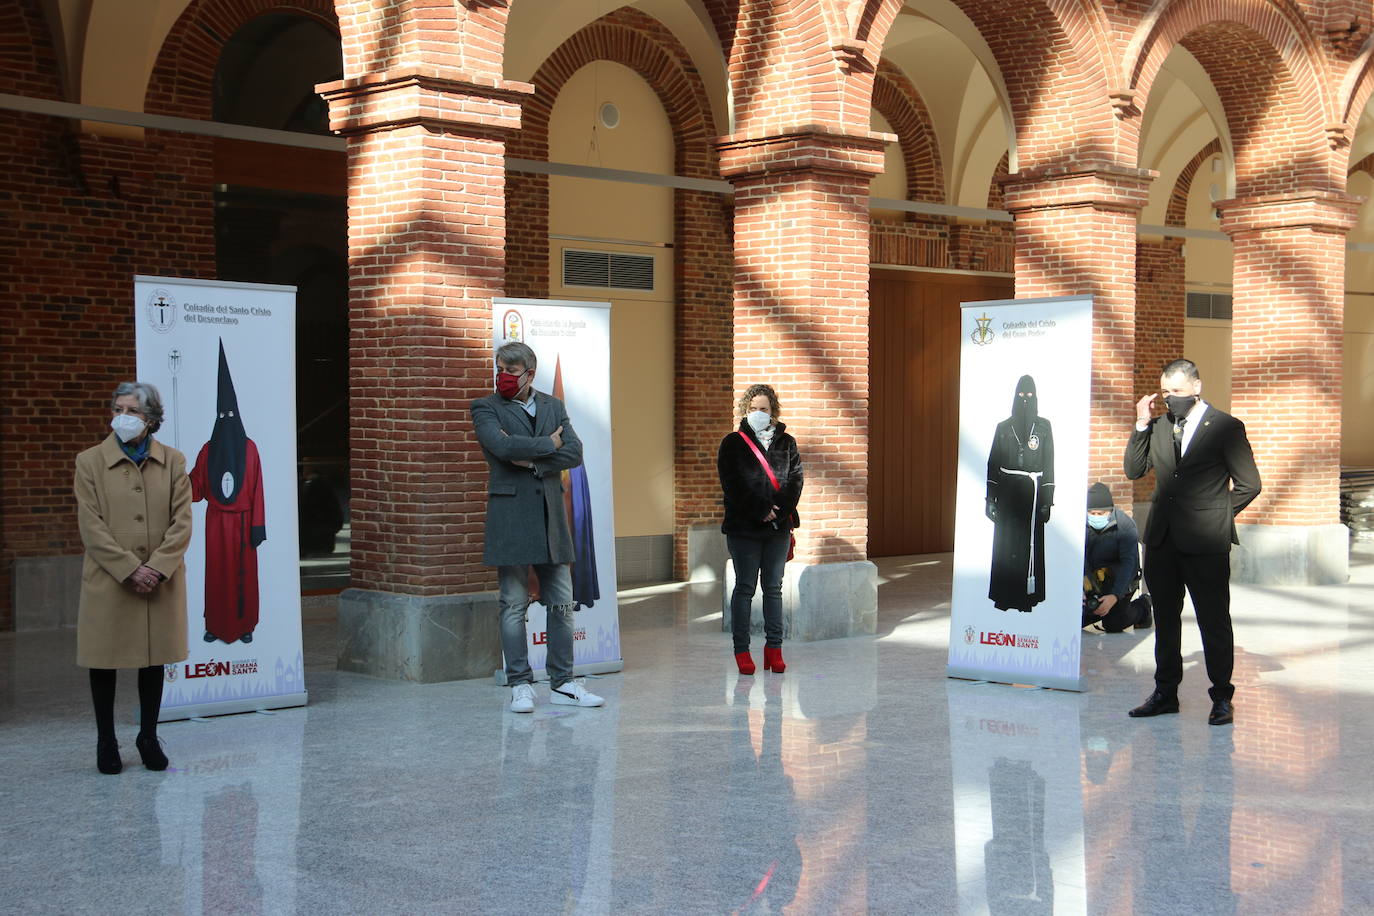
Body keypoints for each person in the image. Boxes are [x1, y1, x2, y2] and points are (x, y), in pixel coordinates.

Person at [1124, 359, 1261, 726]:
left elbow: (1250, 484)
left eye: (1178, 392)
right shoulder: (1157, 426)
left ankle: (1221, 698)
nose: (1171, 400)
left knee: (1213, 620)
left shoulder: (1227, 428)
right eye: (1166, 393)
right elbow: (1134, 470)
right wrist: (1140, 424)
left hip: (1205, 542)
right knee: (1166, 621)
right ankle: (1165, 694)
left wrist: (1215, 515)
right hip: (1162, 541)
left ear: (1197, 387)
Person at [471, 341, 604, 712]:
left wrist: (533, 462)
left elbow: (574, 453)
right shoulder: (485, 407)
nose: (503, 377)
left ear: (529, 374)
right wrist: (548, 443)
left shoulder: (553, 405)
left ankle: (563, 681)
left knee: (562, 604)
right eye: (499, 369)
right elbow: (501, 448)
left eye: (510, 371)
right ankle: (519, 684)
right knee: (513, 604)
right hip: (511, 518)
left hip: (551, 519)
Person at [74, 382, 193, 774]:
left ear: (152, 420)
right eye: (117, 408)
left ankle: (147, 736)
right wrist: (129, 568)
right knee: (104, 661)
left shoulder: (174, 461)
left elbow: (182, 522)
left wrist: (156, 568)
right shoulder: (89, 461)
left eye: (133, 411)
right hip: (111, 579)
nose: (122, 417)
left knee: (152, 660)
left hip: (160, 579)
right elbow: (91, 526)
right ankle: (105, 741)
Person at [717, 383, 803, 675]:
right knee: (744, 588)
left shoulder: (787, 442)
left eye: (763, 409)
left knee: (774, 589)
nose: (758, 413)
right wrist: (759, 510)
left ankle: (774, 649)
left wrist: (778, 510)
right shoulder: (733, 442)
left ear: (773, 411)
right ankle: (742, 651)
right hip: (744, 529)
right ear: (745, 410)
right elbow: (732, 484)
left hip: (778, 528)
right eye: (753, 409)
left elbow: (795, 481)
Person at [189, 341, 266, 644]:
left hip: (244, 523)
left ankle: (244, 626)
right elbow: (195, 489)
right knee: (218, 575)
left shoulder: (250, 449)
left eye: (230, 417)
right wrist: (175, 478)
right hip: (218, 523)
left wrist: (258, 526)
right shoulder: (209, 450)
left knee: (243, 578)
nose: (227, 422)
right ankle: (215, 625)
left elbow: (258, 490)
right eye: (223, 418)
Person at [986, 375, 1055, 612]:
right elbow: (993, 462)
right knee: (1006, 544)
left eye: (1029, 396)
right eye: (1021, 396)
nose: (1025, 400)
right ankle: (1005, 595)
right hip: (1007, 493)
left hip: (1033, 493)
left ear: (1036, 398)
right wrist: (990, 499)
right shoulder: (1003, 427)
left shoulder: (1044, 427)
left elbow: (1049, 464)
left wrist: (1047, 501)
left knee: (1030, 543)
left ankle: (1028, 595)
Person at [1082, 482, 1152, 632]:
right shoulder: (1080, 525)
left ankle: (1143, 606)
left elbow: (1129, 564)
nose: (1095, 517)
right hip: (1093, 579)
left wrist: (1114, 595)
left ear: (1110, 511)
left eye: (1100, 514)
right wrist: (1086, 590)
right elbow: (1080, 558)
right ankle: (1098, 611)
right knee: (1076, 618)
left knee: (1114, 623)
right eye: (1091, 513)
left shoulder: (1125, 526)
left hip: (1120, 579)